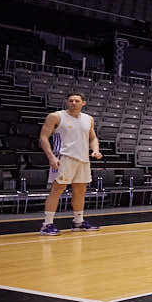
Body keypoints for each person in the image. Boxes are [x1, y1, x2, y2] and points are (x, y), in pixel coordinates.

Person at [38, 91, 102, 235]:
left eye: (77, 101)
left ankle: (78, 222)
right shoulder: (56, 116)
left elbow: (93, 138)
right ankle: (47, 224)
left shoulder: (88, 119)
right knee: (57, 189)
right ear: (67, 102)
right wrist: (51, 157)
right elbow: (43, 137)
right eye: (71, 100)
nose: (74, 103)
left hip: (83, 159)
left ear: (83, 103)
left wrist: (96, 150)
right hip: (63, 157)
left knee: (80, 191)